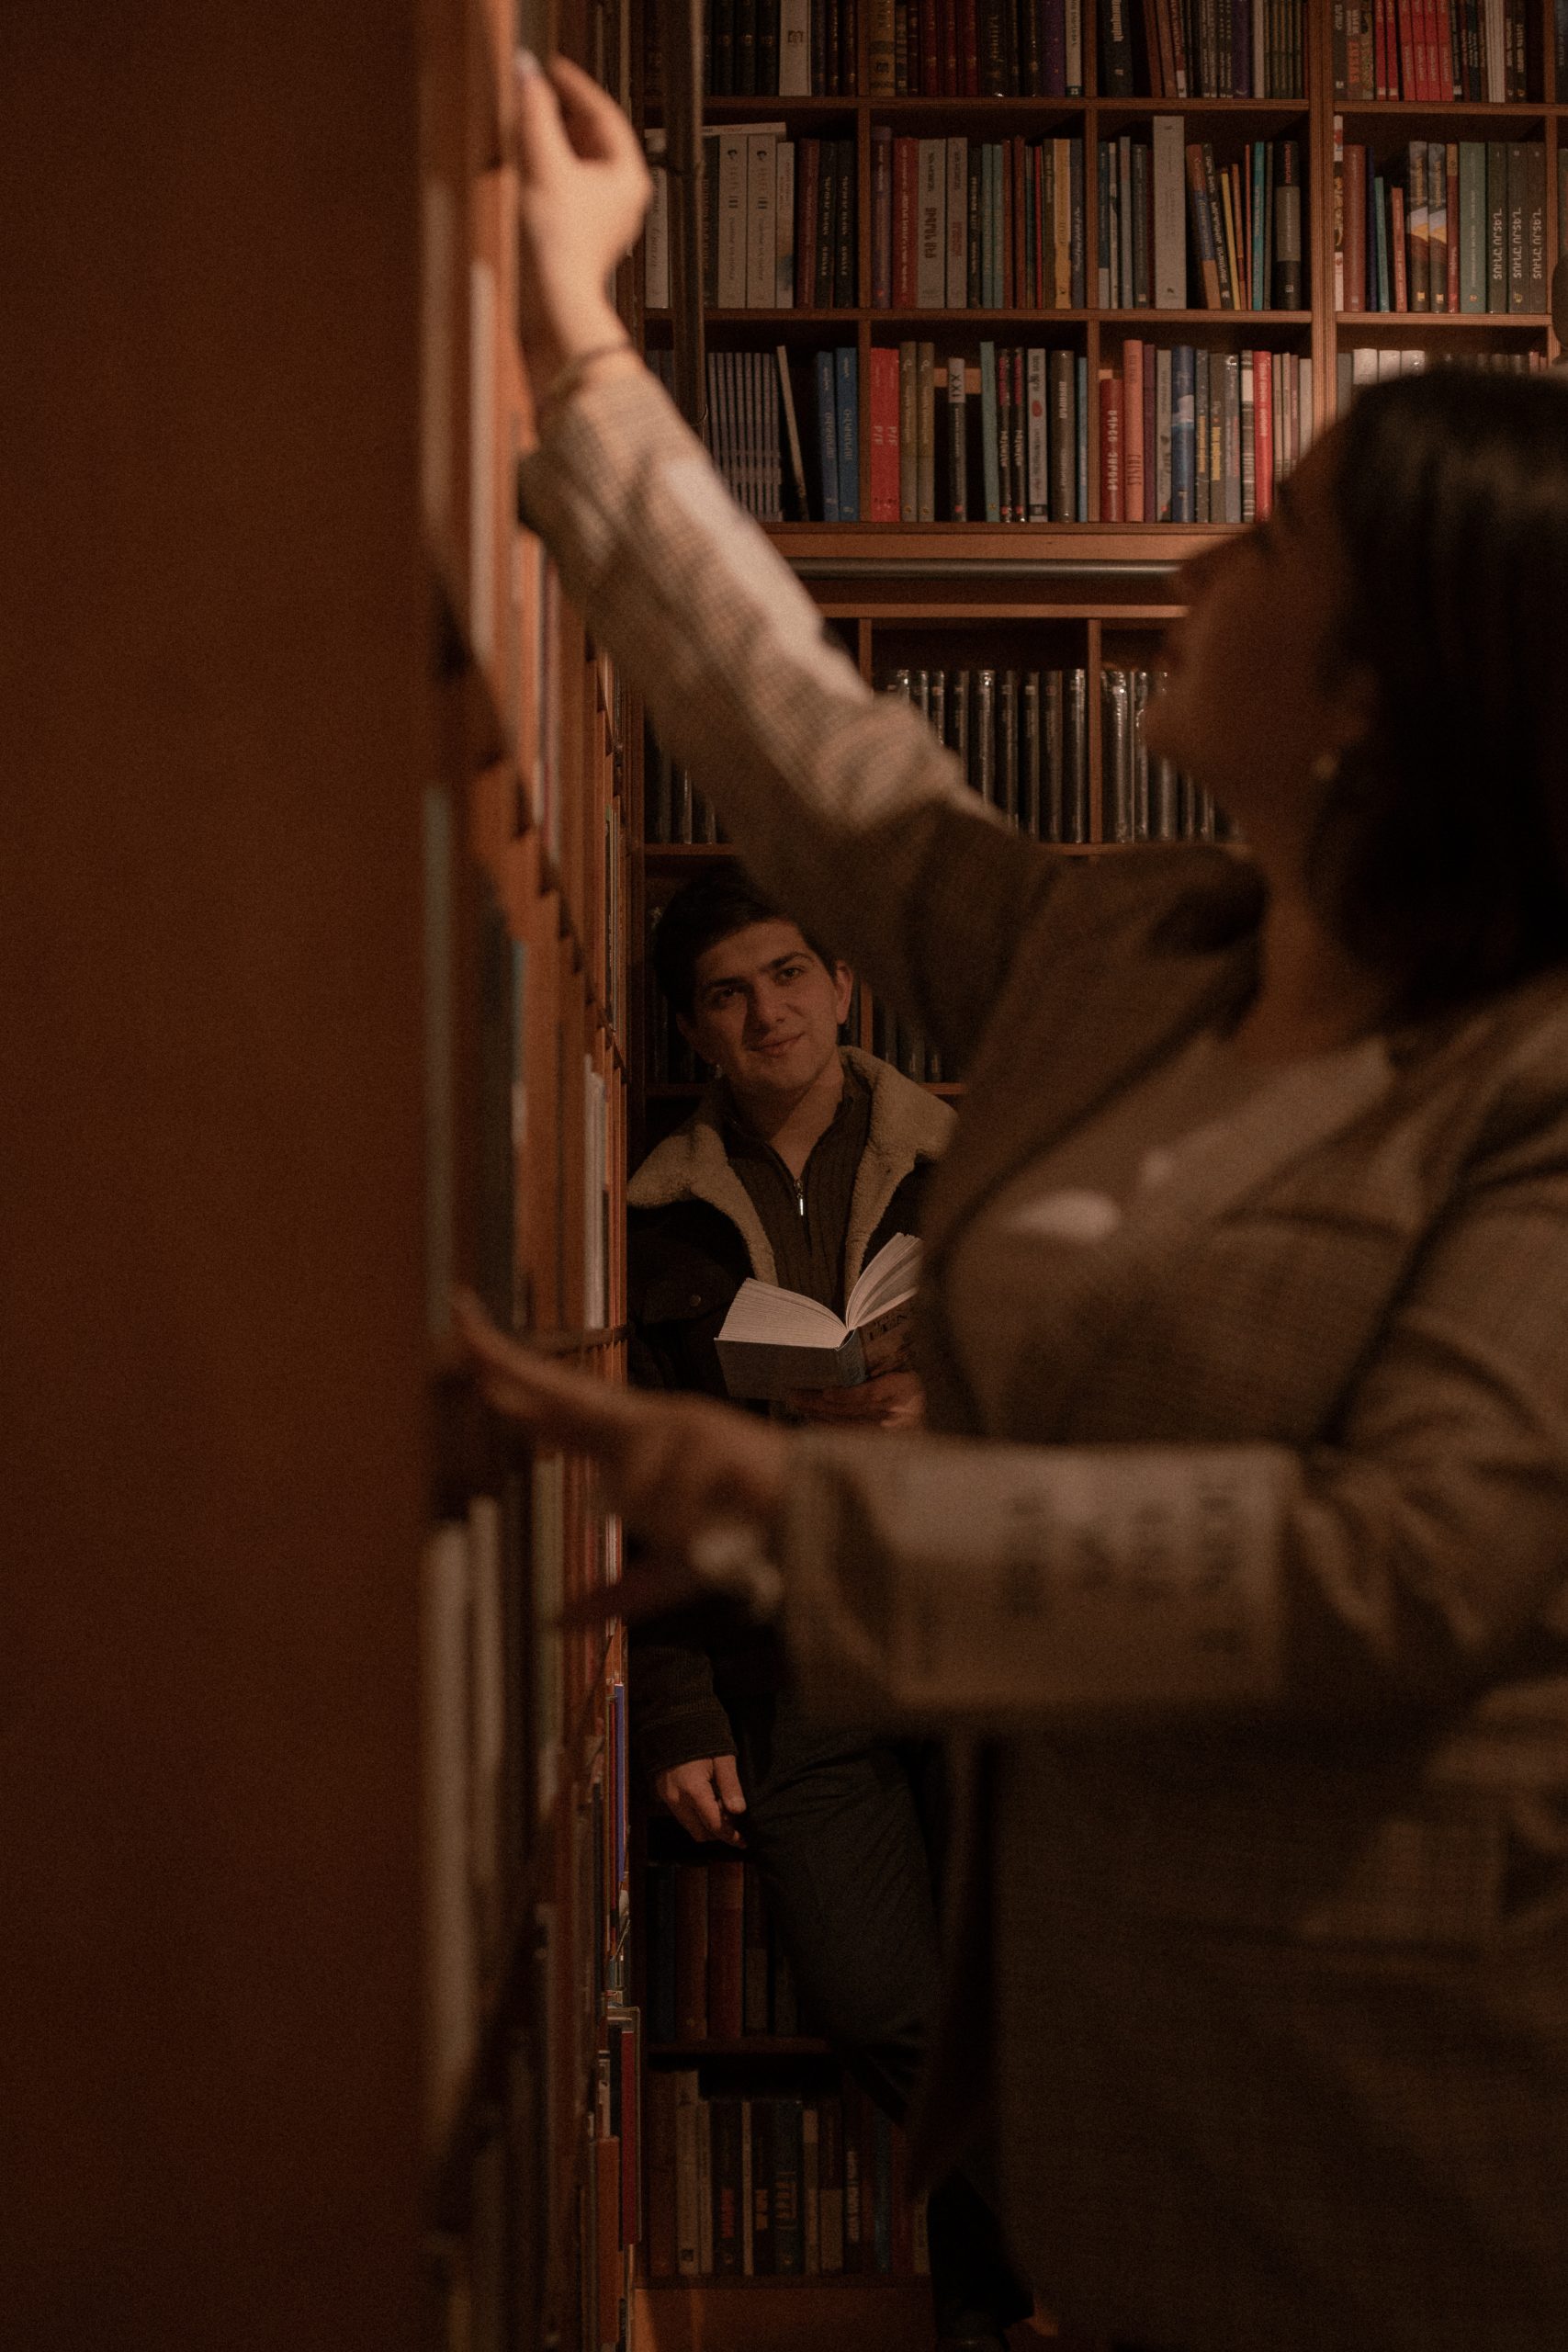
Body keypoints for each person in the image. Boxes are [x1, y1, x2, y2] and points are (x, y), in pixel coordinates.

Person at [458, 49, 1568, 2352]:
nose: (1190, 556)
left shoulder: (1532, 1085)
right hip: (1120, 2109)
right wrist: (574, 332)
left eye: (1265, 541)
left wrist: (803, 1511)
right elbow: (816, 757)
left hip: (1412, 2132)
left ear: (1377, 695)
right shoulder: (1121, 951)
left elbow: (1413, 1561)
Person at [628, 867, 1030, 2346]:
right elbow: (648, 1494)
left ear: (844, 984)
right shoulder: (655, 1220)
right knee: (879, 2004)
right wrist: (676, 1710)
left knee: (1027, 1992)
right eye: (728, 994)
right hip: (794, 1662)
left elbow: (1078, 1387)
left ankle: (992, 2316)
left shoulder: (973, 1164)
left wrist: (953, 1408)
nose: (769, 1012)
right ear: (694, 1030)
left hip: (984, 1635)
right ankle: (1101, 2247)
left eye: (790, 973)